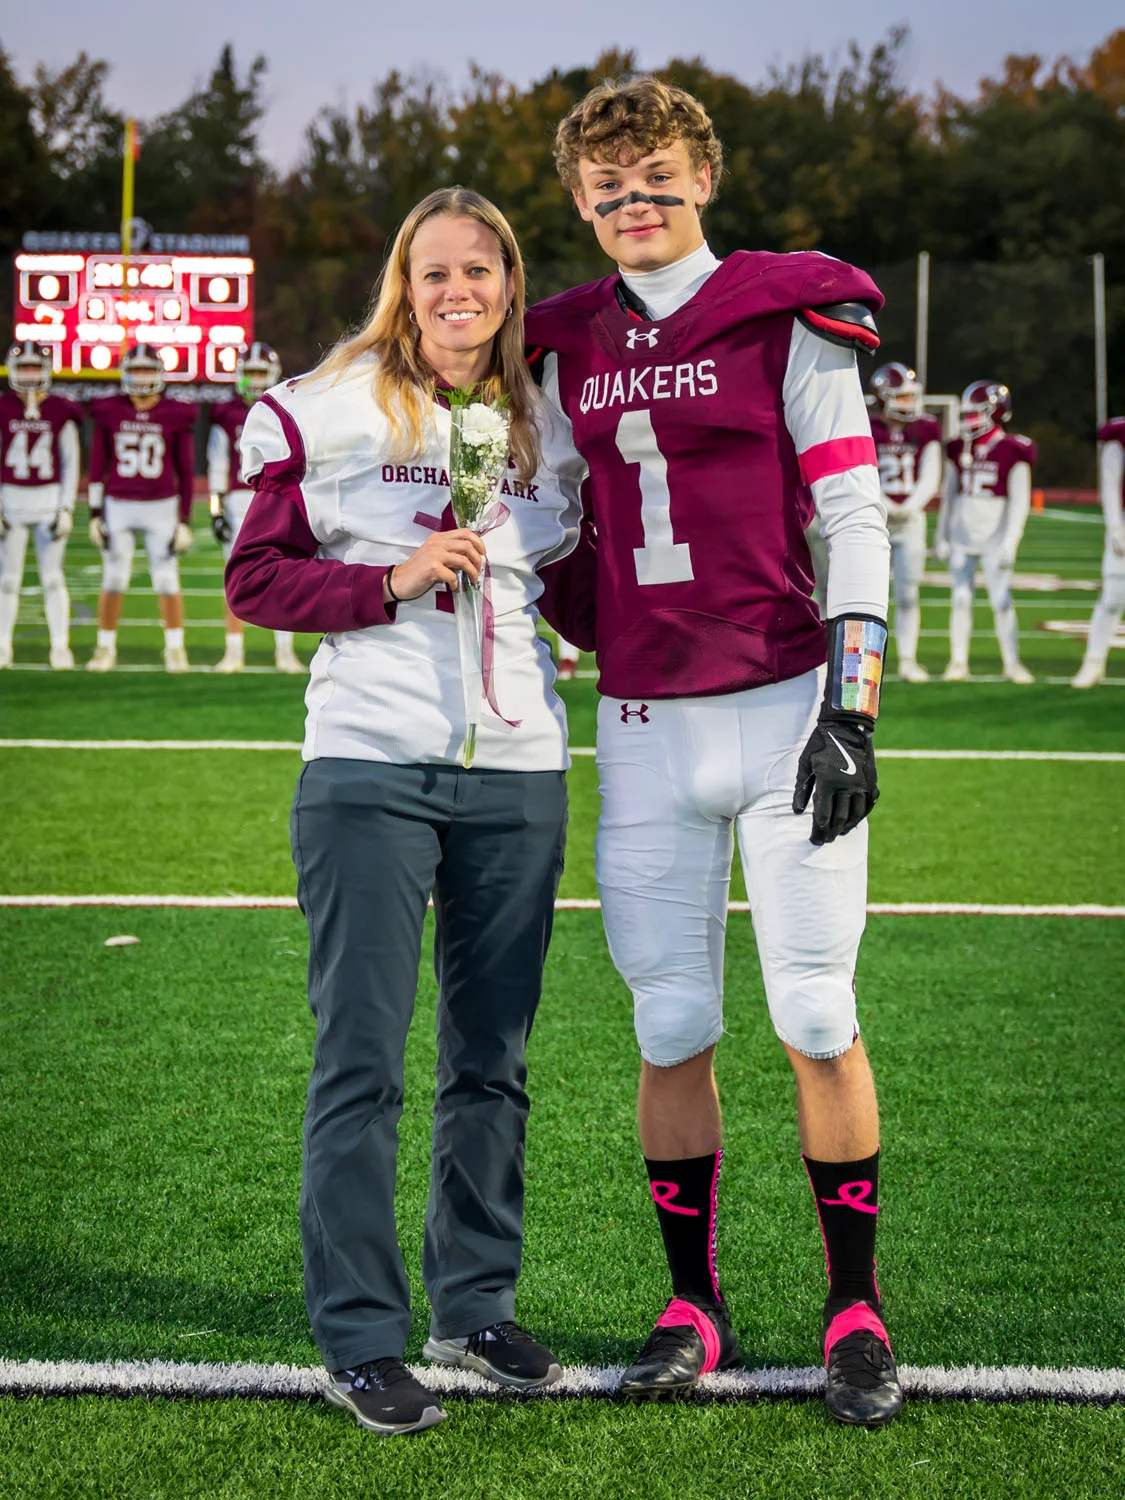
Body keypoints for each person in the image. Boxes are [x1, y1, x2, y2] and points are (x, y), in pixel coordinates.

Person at [525, 78, 901, 1427]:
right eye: (609, 187)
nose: (636, 203)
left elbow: (854, 514)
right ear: (579, 202)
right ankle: (694, 1299)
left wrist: (853, 708)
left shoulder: (785, 310)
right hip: (638, 719)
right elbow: (542, 526)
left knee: (813, 1009)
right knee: (671, 1020)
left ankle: (853, 1301)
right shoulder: (560, 339)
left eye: (658, 177)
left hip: (783, 700)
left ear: (704, 178)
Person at [225, 187, 587, 1438]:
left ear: (507, 281)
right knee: (363, 1063)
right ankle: (364, 1337)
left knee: (493, 1064)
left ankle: (472, 1307)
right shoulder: (321, 407)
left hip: (520, 768)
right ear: (403, 281)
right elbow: (253, 579)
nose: (457, 292)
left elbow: (580, 586)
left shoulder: (546, 426)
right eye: (434, 272)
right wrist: (389, 577)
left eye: (478, 270)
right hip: (369, 762)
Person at [86, 343, 197, 672]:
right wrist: (94, 513)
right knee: (114, 577)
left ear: (160, 374)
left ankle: (175, 648)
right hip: (118, 503)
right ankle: (105, 647)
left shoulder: (177, 413)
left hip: (161, 505)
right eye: (136, 370)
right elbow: (97, 462)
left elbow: (186, 470)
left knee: (166, 579)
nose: (142, 377)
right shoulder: (109, 409)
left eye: (148, 370)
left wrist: (185, 519)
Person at [208, 342, 303, 674]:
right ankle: (234, 651)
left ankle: (284, 651)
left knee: (284, 574)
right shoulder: (227, 413)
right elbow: (217, 462)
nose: (254, 380)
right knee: (236, 577)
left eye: (260, 373)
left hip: (277, 497)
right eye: (249, 373)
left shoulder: (288, 408)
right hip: (237, 497)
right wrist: (216, 507)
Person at [937, 380, 1035, 683]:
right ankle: (957, 662)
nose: (969, 420)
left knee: (1001, 600)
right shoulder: (957, 448)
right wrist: (941, 534)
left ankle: (1012, 662)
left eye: (975, 413)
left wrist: (1010, 541)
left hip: (994, 537)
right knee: (961, 599)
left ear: (995, 412)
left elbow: (1020, 502)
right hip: (962, 536)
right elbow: (948, 494)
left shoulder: (1014, 449)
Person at [0, 342, 82, 669]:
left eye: (36, 367)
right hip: (11, 500)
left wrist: (66, 508)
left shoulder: (62, 409)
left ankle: (60, 647)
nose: (30, 375)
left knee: (52, 577)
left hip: (48, 500)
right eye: (25, 367)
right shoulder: (3, 406)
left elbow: (71, 462)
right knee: (7, 579)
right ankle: (3, 645)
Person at [869, 363, 943, 682]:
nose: (908, 403)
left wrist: (910, 505)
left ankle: (909, 659)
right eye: (900, 397)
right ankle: (871, 663)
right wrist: (884, 503)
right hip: (874, 518)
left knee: (908, 594)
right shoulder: (866, 426)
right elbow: (862, 471)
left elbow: (931, 473)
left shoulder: (925, 429)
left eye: (910, 396)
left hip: (911, 520)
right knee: (871, 596)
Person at [1072, 416, 1125, 688]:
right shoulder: (1120, 434)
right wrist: (1115, 528)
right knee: (1114, 597)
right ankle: (1094, 662)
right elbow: (1110, 483)